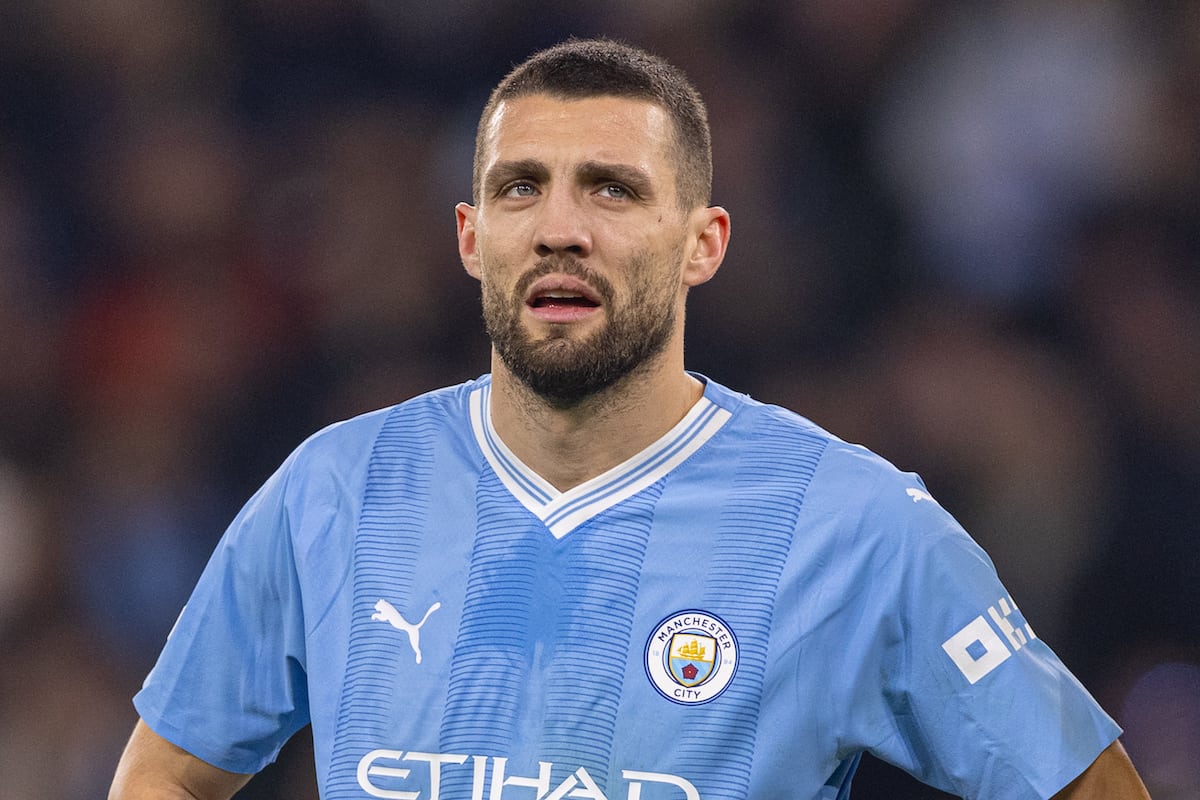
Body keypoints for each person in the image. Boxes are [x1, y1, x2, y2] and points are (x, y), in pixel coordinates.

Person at [109, 38, 1150, 800]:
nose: (561, 228)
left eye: (612, 190)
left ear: (704, 242)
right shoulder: (336, 487)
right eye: (523, 189)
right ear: (473, 238)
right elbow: (165, 769)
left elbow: (1088, 784)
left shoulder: (855, 523)